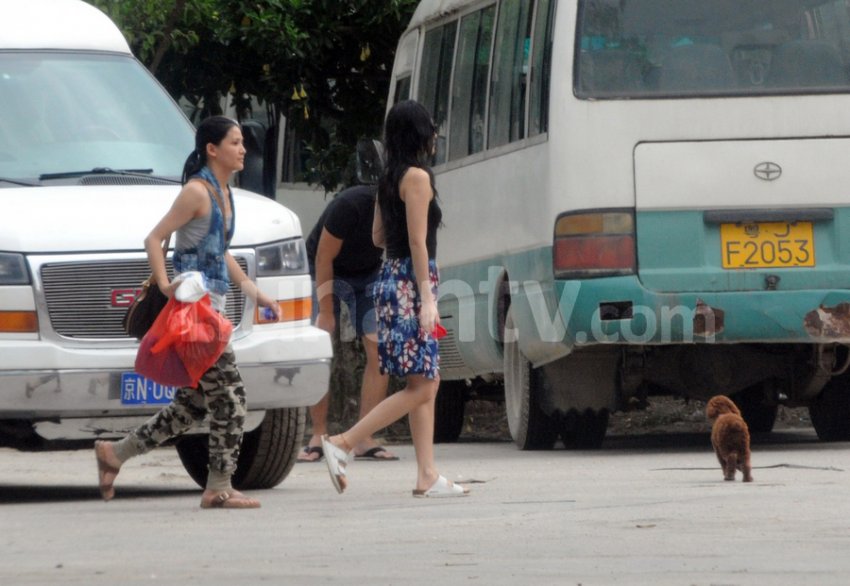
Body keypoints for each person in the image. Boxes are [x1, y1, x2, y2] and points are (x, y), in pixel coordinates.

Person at [94, 116, 281, 509]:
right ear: (212, 149)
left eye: (243, 142)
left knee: (192, 405)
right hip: (194, 315)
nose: (243, 149)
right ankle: (218, 486)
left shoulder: (224, 193)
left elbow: (218, 249)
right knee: (231, 399)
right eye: (234, 142)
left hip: (211, 309)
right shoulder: (197, 191)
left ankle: (115, 455)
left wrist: (251, 290)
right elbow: (155, 238)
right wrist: (165, 286)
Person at [320, 100, 469, 498]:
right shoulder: (418, 178)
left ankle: (427, 474)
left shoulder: (389, 179)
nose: (435, 135)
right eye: (432, 128)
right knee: (423, 386)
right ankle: (345, 441)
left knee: (424, 381)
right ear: (420, 134)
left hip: (389, 278)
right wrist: (427, 297)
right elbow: (418, 241)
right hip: (410, 282)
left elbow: (377, 238)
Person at [296, 183, 399, 462]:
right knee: (319, 347)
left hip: (367, 273)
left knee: (379, 349)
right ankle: (318, 434)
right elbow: (323, 256)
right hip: (322, 268)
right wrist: (326, 311)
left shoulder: (406, 207)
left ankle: (363, 436)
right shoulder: (352, 204)